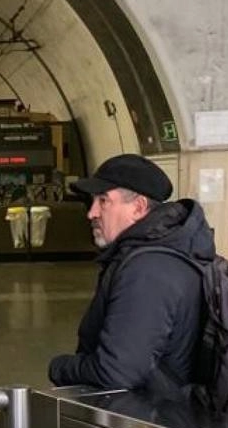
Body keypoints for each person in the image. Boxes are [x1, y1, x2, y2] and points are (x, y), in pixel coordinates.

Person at [48, 153, 215, 401]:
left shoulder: (148, 271)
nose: (91, 213)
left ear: (138, 207)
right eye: (92, 201)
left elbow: (117, 372)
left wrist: (60, 367)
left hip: (153, 415)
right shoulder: (156, 256)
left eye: (103, 201)